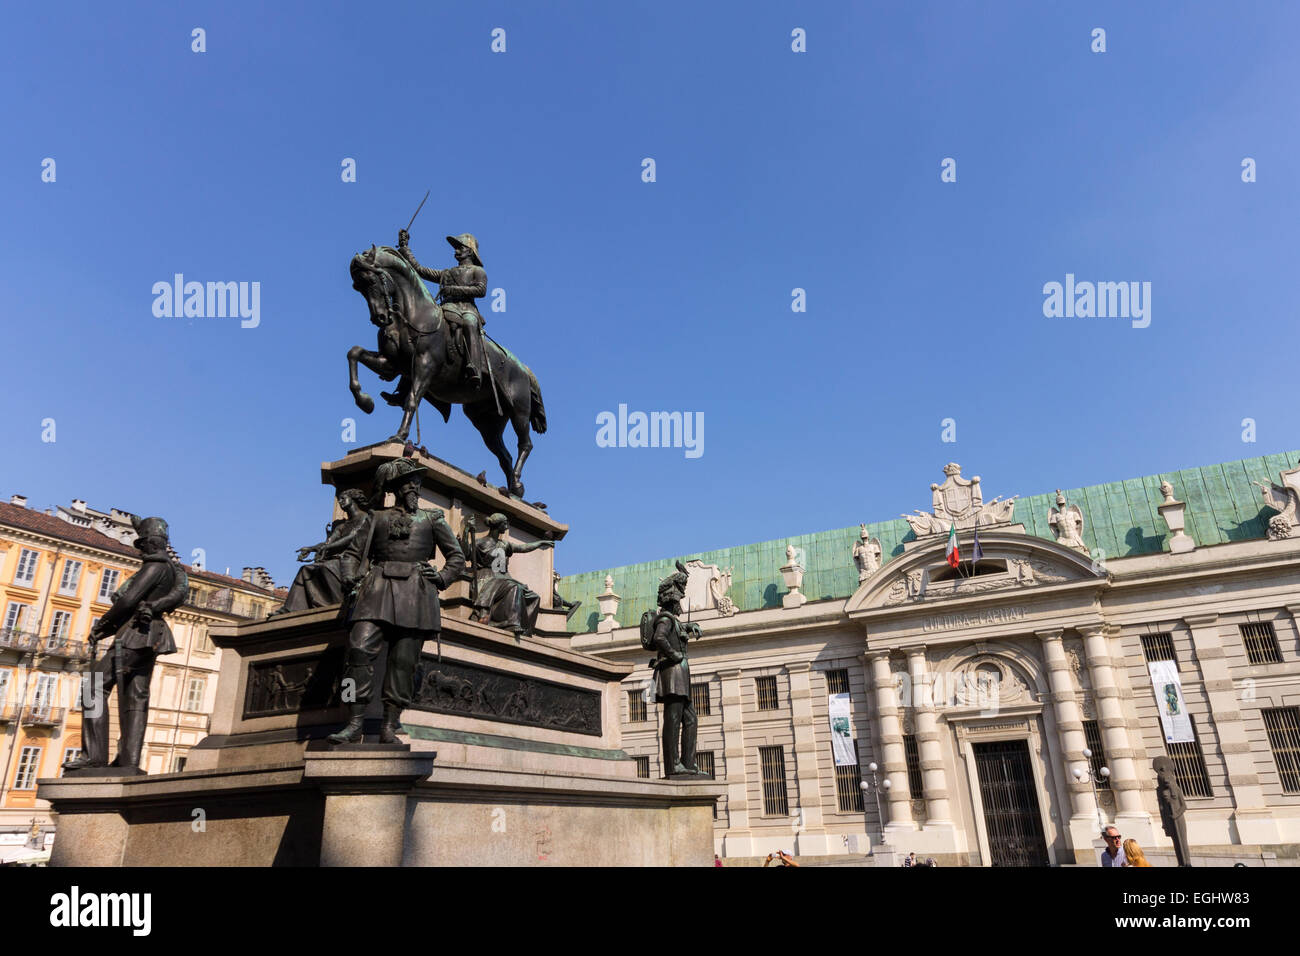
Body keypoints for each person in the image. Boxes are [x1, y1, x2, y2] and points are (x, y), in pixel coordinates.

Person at [328, 459, 465, 745]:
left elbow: (457, 558)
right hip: (376, 588)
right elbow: (351, 554)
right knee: (358, 649)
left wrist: (440, 578)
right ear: (395, 488)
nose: (413, 486)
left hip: (416, 592)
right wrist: (350, 579)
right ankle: (354, 722)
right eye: (407, 482)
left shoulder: (433, 518)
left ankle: (390, 724)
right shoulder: (375, 518)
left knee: (404, 661)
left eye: (416, 482)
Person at [64, 517, 188, 775]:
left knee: (94, 686)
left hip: (134, 634)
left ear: (150, 544)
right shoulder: (172, 570)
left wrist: (104, 626)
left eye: (142, 545)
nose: (140, 551)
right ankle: (129, 760)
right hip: (153, 636)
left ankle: (94, 757)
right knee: (136, 696)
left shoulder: (154, 567)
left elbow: (128, 600)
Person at [397, 228, 488, 387]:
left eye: (461, 247)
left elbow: (481, 290)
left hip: (466, 310)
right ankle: (406, 383)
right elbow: (419, 270)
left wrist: (454, 290)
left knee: (469, 323)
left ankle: (475, 367)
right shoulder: (446, 273)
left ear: (470, 252)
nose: (456, 250)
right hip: (447, 309)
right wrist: (405, 248)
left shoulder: (478, 271)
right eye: (456, 248)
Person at [271, 488, 371, 615]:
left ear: (353, 499)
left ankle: (339, 602)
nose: (340, 502)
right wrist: (311, 548)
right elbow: (327, 542)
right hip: (337, 559)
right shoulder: (342, 526)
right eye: (338, 499)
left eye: (343, 499)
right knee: (305, 570)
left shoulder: (365, 518)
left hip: (353, 559)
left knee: (327, 567)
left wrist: (328, 548)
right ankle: (289, 609)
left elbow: (352, 537)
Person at [648, 562, 703, 775]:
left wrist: (691, 626)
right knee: (672, 720)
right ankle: (673, 766)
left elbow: (679, 630)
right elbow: (659, 637)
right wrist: (675, 655)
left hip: (681, 675)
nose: (681, 601)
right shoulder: (665, 618)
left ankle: (688, 763)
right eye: (679, 598)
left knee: (690, 719)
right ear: (672, 599)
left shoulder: (675, 621)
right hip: (672, 675)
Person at [469, 513, 553, 636]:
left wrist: (539, 543)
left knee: (534, 597)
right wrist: (467, 531)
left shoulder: (504, 544)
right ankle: (510, 622)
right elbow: (465, 553)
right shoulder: (480, 542)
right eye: (505, 523)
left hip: (503, 577)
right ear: (498, 525)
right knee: (514, 587)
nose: (507, 526)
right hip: (488, 577)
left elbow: (523, 548)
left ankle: (526, 630)